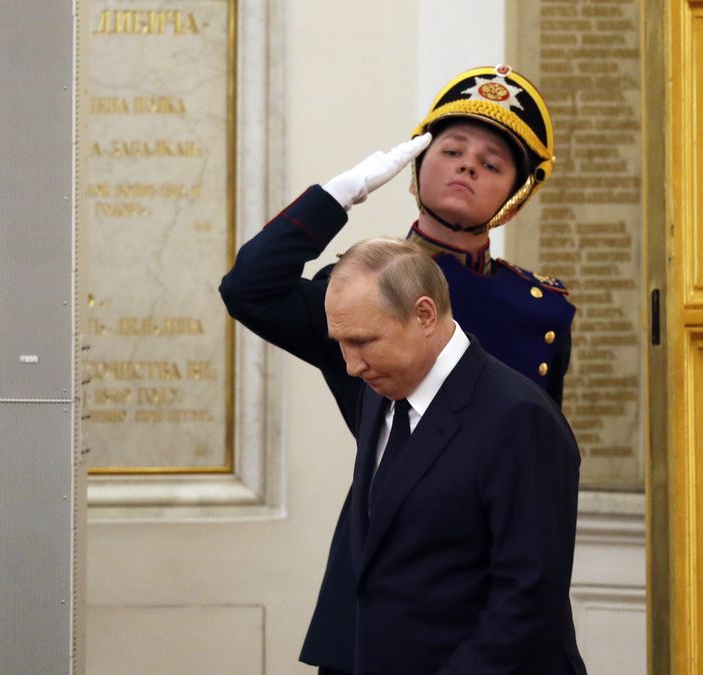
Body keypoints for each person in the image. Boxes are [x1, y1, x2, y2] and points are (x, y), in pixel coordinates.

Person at [219, 65, 585, 674]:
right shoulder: (361, 287)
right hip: (375, 590)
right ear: (418, 165)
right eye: (451, 150)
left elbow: (535, 483)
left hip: (481, 603)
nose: (468, 166)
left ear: (514, 195)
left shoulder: (538, 311)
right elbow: (249, 289)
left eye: (492, 163)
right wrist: (343, 191)